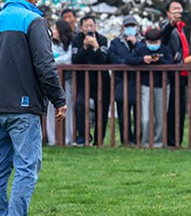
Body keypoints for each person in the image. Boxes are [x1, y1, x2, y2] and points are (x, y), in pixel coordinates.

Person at [0, 0, 67, 216]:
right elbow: (45, 64)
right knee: (27, 165)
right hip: (24, 106)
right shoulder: (33, 21)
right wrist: (58, 99)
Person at [127, 28, 173, 147]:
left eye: (156, 43)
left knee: (161, 116)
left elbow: (170, 63)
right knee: (146, 117)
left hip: (162, 86)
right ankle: (146, 142)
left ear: (160, 41)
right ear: (146, 41)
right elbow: (129, 59)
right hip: (145, 85)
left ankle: (158, 143)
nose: (153, 46)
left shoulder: (165, 50)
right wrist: (143, 59)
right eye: (151, 43)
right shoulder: (141, 49)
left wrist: (159, 60)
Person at [71, 15, 111, 146]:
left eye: (91, 26)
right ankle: (83, 135)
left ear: (96, 26)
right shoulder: (76, 40)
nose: (89, 29)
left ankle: (99, 139)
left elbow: (103, 60)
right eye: (86, 26)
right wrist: (84, 47)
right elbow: (75, 60)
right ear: (81, 28)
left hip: (102, 81)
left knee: (102, 109)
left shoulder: (102, 39)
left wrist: (96, 47)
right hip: (83, 81)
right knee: (79, 104)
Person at [107, 15, 142, 145]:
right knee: (123, 112)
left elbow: (143, 56)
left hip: (137, 81)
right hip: (121, 81)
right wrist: (128, 63)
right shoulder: (116, 43)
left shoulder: (142, 42)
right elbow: (111, 57)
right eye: (127, 26)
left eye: (132, 26)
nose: (130, 29)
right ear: (123, 28)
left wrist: (135, 44)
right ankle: (125, 139)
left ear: (137, 27)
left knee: (138, 113)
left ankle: (138, 139)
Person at [161, 0, 189, 147]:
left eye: (180, 9)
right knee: (172, 107)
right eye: (174, 9)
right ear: (168, 13)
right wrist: (171, 24)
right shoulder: (167, 27)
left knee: (180, 108)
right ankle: (171, 140)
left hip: (183, 72)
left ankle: (178, 139)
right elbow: (162, 39)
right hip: (172, 72)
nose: (178, 11)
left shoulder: (183, 28)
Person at [45, 19, 74, 146]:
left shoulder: (71, 43)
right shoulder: (50, 43)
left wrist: (55, 61)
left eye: (56, 29)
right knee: (51, 110)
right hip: (52, 81)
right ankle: (52, 139)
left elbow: (69, 59)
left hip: (67, 81)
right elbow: (47, 57)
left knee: (68, 109)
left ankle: (68, 139)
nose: (54, 31)